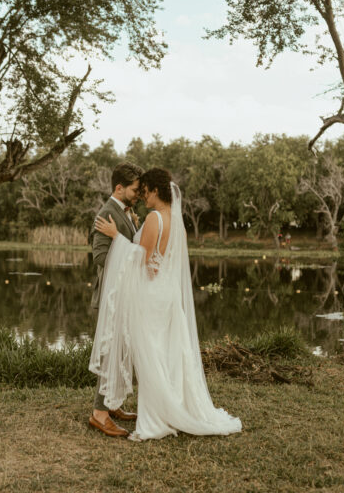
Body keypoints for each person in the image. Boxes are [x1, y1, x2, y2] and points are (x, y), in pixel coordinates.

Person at [91, 168, 242, 441]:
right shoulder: (177, 222)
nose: (143, 197)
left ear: (157, 191)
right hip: (167, 295)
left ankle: (155, 412)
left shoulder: (153, 219)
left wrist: (118, 237)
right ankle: (167, 405)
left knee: (151, 355)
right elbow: (163, 263)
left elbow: (145, 262)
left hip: (150, 297)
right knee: (165, 354)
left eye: (145, 191)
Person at [87, 162, 144, 438]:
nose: (138, 194)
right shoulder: (106, 214)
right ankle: (99, 414)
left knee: (122, 351)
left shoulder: (126, 212)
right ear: (119, 188)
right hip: (110, 298)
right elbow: (99, 257)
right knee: (110, 352)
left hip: (124, 295)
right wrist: (122, 238)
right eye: (134, 190)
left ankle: (113, 404)